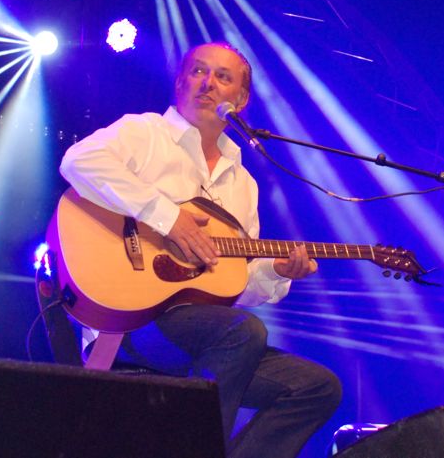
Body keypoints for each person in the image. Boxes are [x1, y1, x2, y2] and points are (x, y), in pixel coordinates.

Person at [59, 41, 342, 458]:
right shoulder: (144, 133)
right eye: (198, 71)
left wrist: (276, 271)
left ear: (240, 101)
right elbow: (78, 161)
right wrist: (168, 218)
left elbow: (232, 288)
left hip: (204, 332)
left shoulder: (243, 183)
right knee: (242, 331)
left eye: (223, 77)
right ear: (180, 83)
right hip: (131, 322)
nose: (208, 83)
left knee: (317, 387)